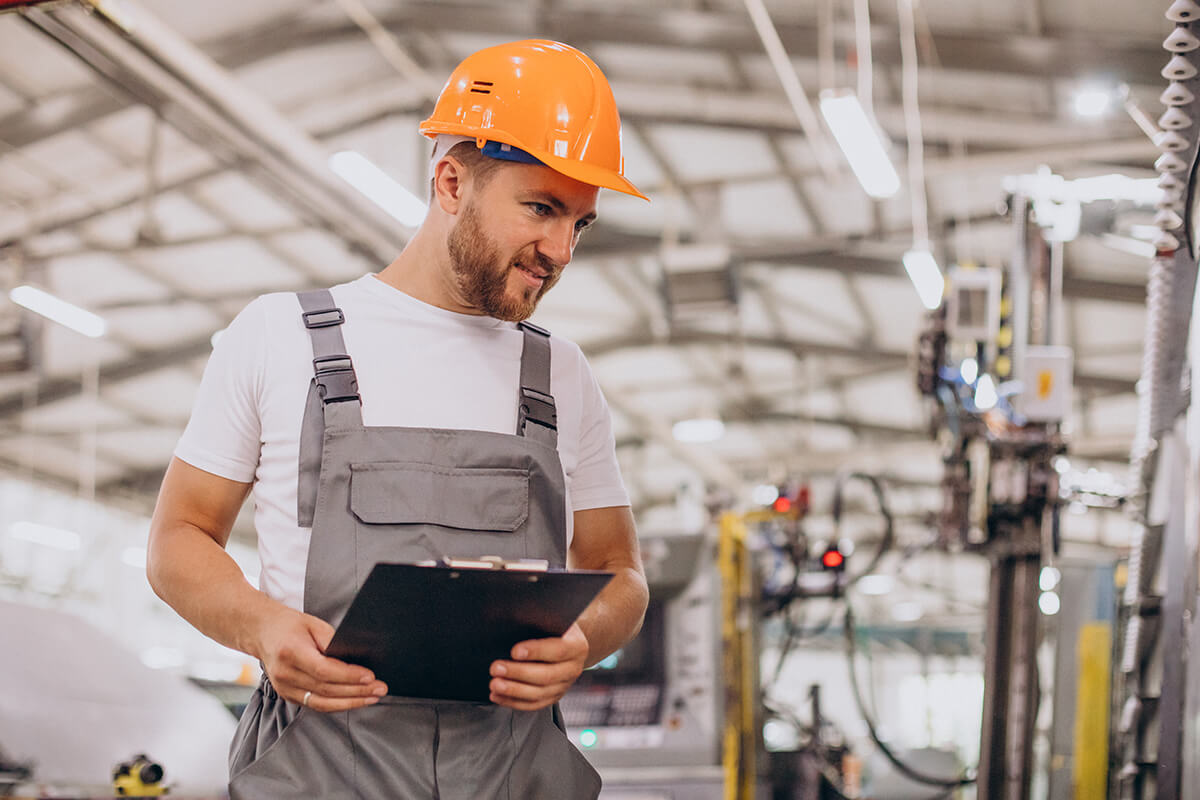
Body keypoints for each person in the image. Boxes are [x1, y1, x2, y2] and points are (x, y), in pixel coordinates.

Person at [146, 39, 650, 799]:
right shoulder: (280, 336)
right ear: (451, 181)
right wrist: (262, 626)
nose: (560, 250)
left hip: (512, 775)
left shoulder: (562, 375)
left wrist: (582, 638)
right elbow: (177, 538)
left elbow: (621, 571)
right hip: (316, 770)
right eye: (541, 208)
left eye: (580, 223)